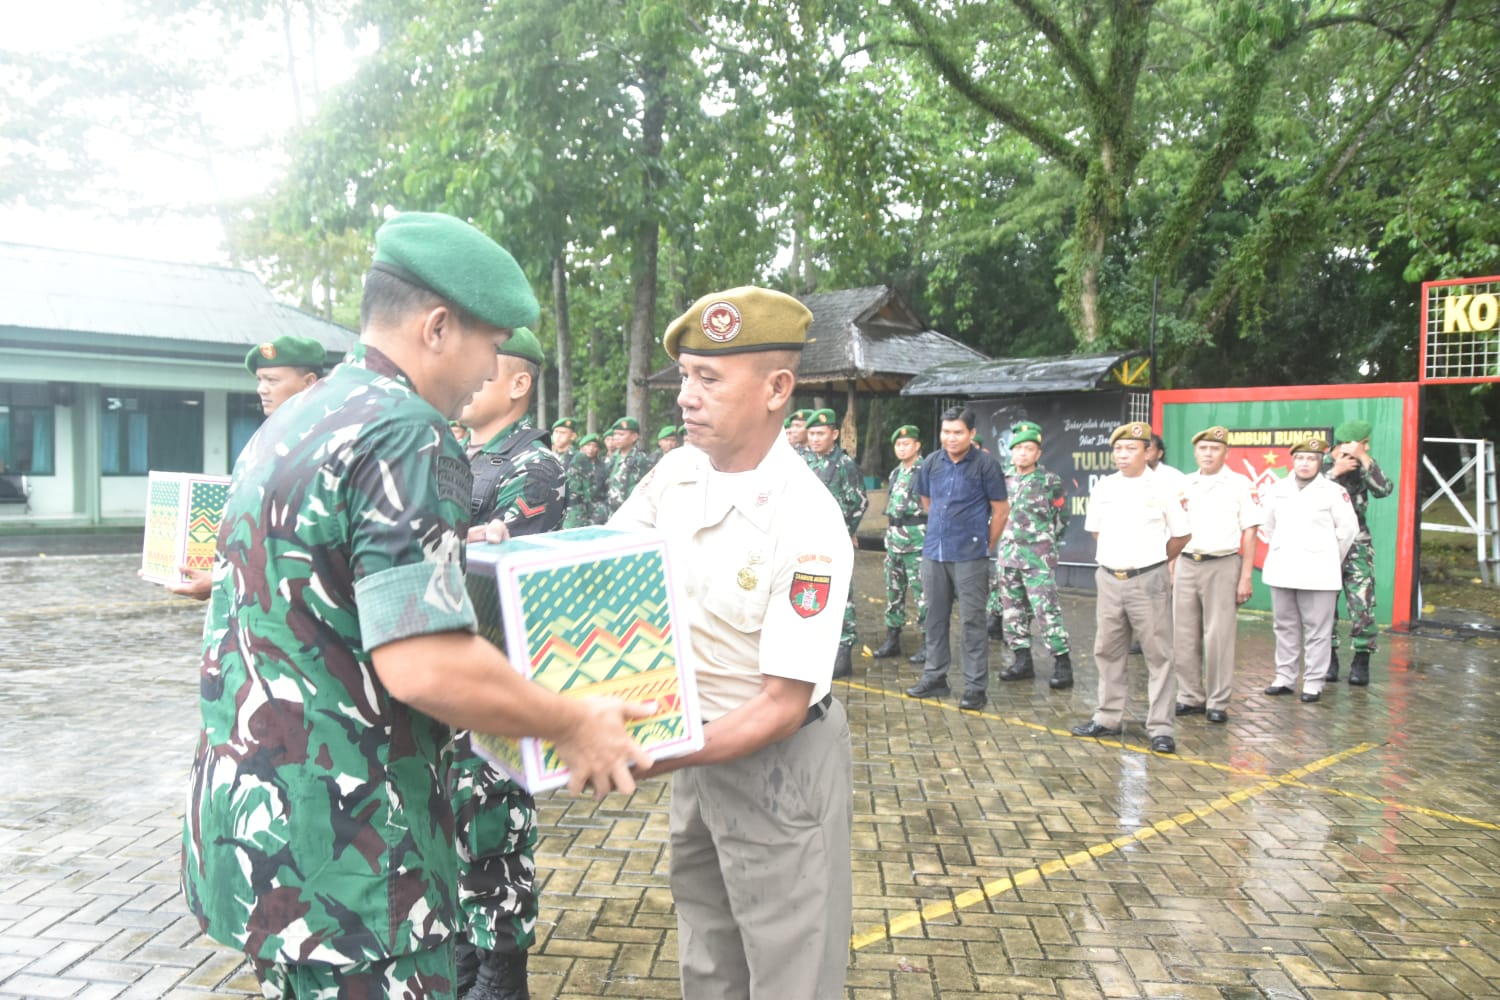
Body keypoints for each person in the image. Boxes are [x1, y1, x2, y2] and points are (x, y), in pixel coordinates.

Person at [181, 211, 653, 1000]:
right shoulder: (407, 431)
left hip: (261, 832)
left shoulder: (296, 419)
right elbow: (424, 661)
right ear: (438, 326)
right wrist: (572, 722)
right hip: (356, 859)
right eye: (490, 343)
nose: (491, 368)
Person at [610, 285, 854, 999]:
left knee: (789, 973)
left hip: (779, 767)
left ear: (777, 388)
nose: (686, 396)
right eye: (685, 376)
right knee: (709, 959)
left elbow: (780, 705)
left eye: (708, 378)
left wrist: (645, 755)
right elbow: (601, 561)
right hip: (697, 753)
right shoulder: (678, 472)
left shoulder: (807, 521)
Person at [447, 326, 564, 1000]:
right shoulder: (462, 455)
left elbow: (492, 563)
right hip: (454, 682)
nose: (466, 381)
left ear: (518, 383)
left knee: (494, 835)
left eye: (482, 370)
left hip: (499, 681)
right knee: (456, 837)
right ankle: (469, 963)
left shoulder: (534, 466)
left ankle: (500, 972)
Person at [145, 335, 327, 600]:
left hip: (298, 615)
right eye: (260, 380)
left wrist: (219, 582)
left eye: (273, 380)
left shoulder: (323, 443)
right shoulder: (268, 438)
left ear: (309, 382)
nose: (262, 389)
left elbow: (302, 547)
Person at [1071, 421, 1190, 754]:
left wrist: (1151, 560)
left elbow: (1181, 535)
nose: (1122, 455)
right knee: (1107, 650)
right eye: (1118, 449)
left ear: (1147, 452)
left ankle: (1161, 728)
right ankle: (1108, 717)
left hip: (1148, 580)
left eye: (1131, 449)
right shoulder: (1104, 487)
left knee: (1159, 655)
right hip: (1109, 578)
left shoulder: (1165, 487)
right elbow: (1096, 530)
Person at [904, 406, 1009, 712]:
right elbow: (927, 500)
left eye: (958, 432)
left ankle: (975, 688)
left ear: (972, 434)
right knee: (934, 619)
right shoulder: (932, 463)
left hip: (970, 556)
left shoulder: (986, 466)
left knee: (973, 623)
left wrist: (983, 543)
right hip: (934, 553)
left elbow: (1001, 510)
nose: (951, 438)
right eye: (946, 432)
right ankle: (935, 677)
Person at [1171, 425, 1263, 724]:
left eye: (1215, 449)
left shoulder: (1240, 485)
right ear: (1195, 452)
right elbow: (1173, 529)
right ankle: (1189, 696)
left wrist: (1246, 576)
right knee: (1184, 634)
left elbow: (1250, 532)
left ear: (1226, 452)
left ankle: (1218, 701)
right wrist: (1171, 567)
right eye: (1203, 448)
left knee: (1219, 635)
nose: (1208, 453)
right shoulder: (1183, 484)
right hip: (1186, 562)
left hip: (1222, 564)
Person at [1262, 438, 1359, 702]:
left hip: (1318, 572)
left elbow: (1348, 530)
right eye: (1300, 458)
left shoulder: (1333, 491)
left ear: (1320, 462)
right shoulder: (1277, 488)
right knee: (1284, 625)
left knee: (1318, 629)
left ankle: (1313, 682)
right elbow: (1268, 524)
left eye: (1311, 458)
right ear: (1293, 461)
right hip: (1283, 568)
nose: (1305, 463)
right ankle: (1284, 677)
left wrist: (1327, 556)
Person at [995, 421, 1073, 689]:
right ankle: (1021, 661)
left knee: (1046, 611)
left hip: (1037, 558)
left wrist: (1048, 545)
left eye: (1029, 448)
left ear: (1038, 454)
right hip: (1007, 555)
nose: (1023, 453)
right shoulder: (1000, 479)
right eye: (1019, 448)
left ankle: (1062, 663)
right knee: (1013, 611)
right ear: (1011, 452)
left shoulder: (1049, 481)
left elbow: (1062, 518)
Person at [1323, 419, 1394, 685]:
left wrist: (1364, 457)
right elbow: (1304, 496)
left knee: (1362, 604)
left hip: (1357, 544)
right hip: (1324, 544)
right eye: (1364, 442)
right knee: (1324, 604)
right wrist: (1335, 471)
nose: (1368, 447)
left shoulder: (1365, 465)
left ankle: (1361, 662)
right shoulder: (1319, 466)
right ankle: (1328, 660)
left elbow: (1384, 489)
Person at [804, 407, 868, 678]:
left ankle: (844, 651)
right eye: (812, 433)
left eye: (821, 433)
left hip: (832, 543)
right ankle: (814, 649)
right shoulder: (803, 461)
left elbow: (860, 502)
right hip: (805, 543)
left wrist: (843, 532)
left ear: (835, 434)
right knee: (809, 592)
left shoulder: (844, 465)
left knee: (841, 596)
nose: (815, 438)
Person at [873, 424, 926, 663]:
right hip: (894, 541)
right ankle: (892, 638)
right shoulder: (896, 473)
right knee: (893, 592)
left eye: (907, 444)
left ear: (917, 446)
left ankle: (928, 641)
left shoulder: (925, 470)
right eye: (898, 444)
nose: (902, 448)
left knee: (923, 594)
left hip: (917, 542)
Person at [246, 334, 325, 417]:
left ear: (309, 382)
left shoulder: (331, 426)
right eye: (259, 380)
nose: (260, 389)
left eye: (271, 380)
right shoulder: (276, 428)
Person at [605, 416, 651, 516]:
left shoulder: (640, 460)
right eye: (615, 434)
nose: (616, 437)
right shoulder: (612, 459)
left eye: (621, 434)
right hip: (612, 513)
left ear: (634, 436)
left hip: (631, 514)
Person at [563, 432, 602, 529]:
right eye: (588, 445)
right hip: (571, 509)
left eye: (594, 446)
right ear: (581, 447)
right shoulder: (576, 459)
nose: (591, 449)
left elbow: (593, 491)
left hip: (581, 511)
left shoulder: (598, 465)